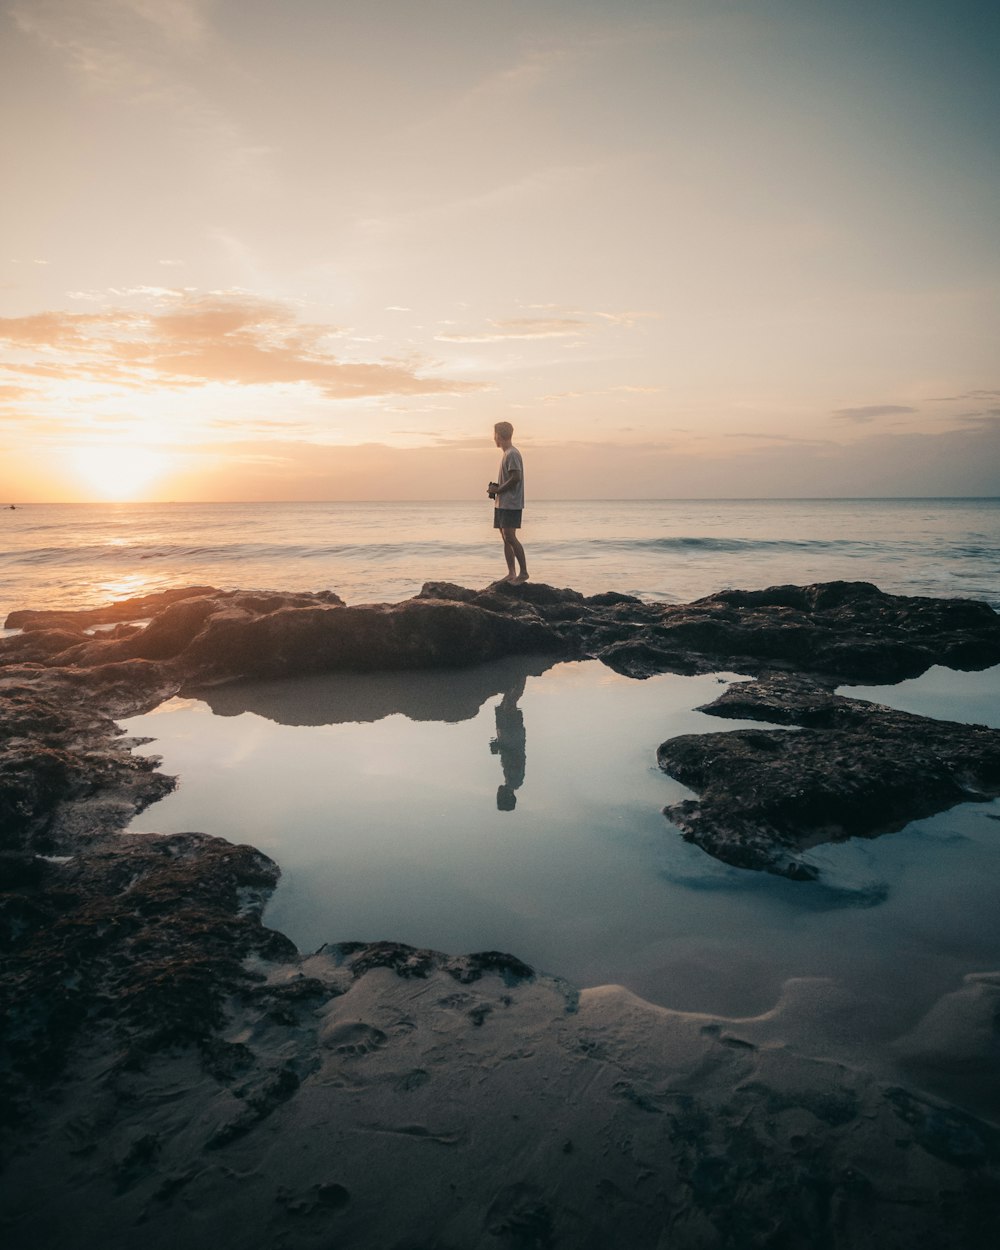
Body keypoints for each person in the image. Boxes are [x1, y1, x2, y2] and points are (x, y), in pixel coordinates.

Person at [487, 421, 528, 583]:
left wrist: (498, 490)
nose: (493, 438)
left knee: (510, 537)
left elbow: (516, 477)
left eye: (494, 434)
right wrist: (496, 491)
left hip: (511, 503)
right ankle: (511, 573)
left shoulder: (512, 454)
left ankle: (523, 573)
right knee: (506, 538)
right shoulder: (507, 454)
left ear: (498, 435)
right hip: (502, 503)